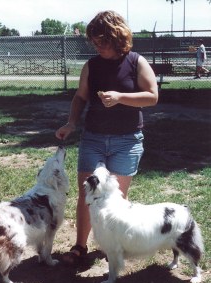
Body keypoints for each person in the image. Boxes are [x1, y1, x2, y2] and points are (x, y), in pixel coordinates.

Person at [55, 10, 158, 265]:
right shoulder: (92, 65)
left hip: (127, 140)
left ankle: (113, 245)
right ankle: (80, 246)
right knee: (86, 193)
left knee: (115, 199)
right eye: (94, 41)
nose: (97, 46)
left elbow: (152, 96)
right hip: (94, 138)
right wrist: (71, 123)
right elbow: (80, 96)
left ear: (117, 36)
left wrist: (121, 97)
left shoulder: (136, 62)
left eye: (102, 41)